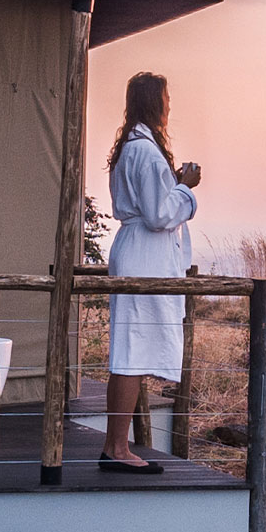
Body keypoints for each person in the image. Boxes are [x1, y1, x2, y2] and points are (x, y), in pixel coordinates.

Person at [101, 72, 201, 472]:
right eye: (165, 97)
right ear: (152, 103)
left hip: (140, 253)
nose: (169, 104)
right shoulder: (144, 151)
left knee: (132, 351)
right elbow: (160, 214)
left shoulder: (135, 147)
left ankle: (116, 446)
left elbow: (151, 202)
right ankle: (117, 449)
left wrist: (172, 183)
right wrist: (187, 188)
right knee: (131, 353)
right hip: (143, 257)